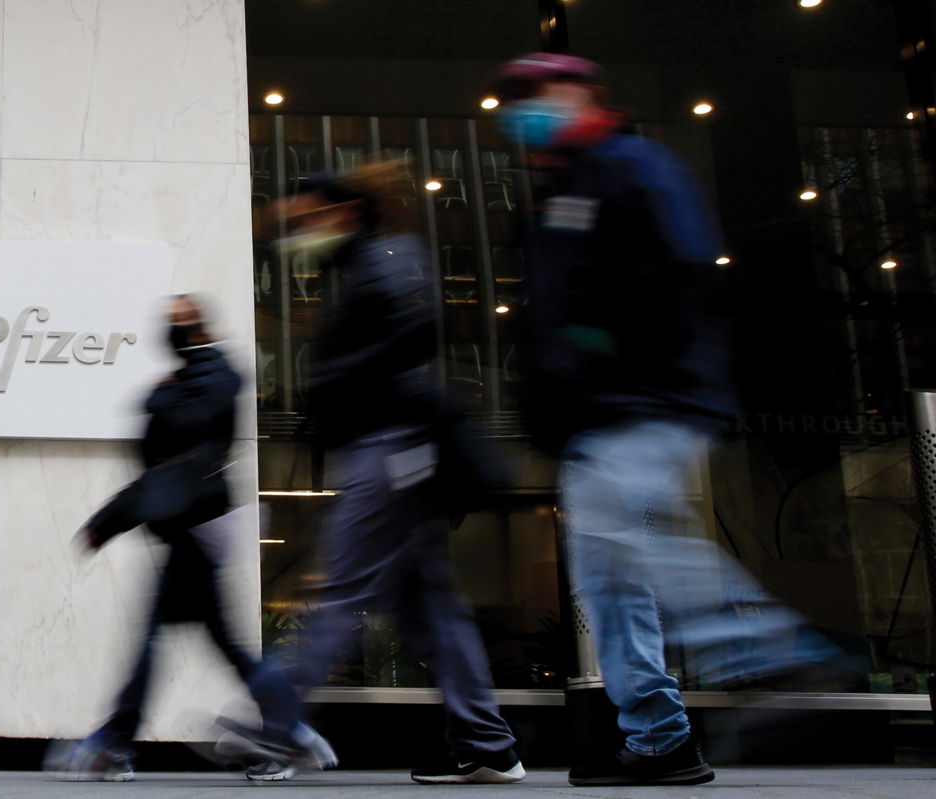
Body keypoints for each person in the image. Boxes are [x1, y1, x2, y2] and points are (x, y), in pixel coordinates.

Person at [491, 53, 843, 787]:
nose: (526, 110)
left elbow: (679, 272)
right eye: (515, 99)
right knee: (609, 573)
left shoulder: (632, 166)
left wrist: (602, 350)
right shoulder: (554, 194)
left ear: (585, 94)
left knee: (618, 534)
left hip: (651, 395)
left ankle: (771, 654)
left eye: (539, 94)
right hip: (596, 413)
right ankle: (659, 737)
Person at [236, 163, 525, 784]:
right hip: (391, 445)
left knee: (342, 589)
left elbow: (415, 331)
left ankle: (280, 729)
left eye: (309, 218)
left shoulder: (384, 258)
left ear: (345, 213)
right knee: (431, 607)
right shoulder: (359, 264)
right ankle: (487, 743)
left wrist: (336, 380)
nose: (299, 232)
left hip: (389, 444)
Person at [53, 294, 312, 781]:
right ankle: (291, 730)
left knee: (156, 640)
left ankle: (114, 742)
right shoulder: (200, 378)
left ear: (195, 331)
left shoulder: (207, 380)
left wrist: (109, 520)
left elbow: (177, 454)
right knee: (220, 643)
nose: (168, 331)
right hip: (193, 530)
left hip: (195, 529)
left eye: (176, 321)